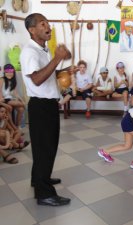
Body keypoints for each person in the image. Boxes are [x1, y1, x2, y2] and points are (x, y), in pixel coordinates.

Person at [20, 13, 72, 206]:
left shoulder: (43, 50)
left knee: (45, 147)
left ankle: (38, 178)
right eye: (42, 23)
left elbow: (46, 73)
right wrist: (57, 59)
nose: (48, 26)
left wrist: (63, 71)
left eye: (48, 22)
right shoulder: (29, 52)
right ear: (32, 30)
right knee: (45, 148)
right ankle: (44, 194)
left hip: (47, 104)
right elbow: (36, 79)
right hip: (40, 106)